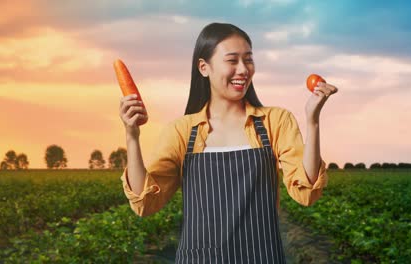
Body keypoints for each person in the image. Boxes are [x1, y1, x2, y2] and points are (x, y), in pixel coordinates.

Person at [119, 22, 338, 264]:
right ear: (204, 67)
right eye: (232, 60)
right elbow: (145, 202)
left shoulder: (275, 122)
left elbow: (306, 192)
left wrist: (313, 121)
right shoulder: (182, 131)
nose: (243, 69)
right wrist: (132, 136)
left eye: (248, 59)